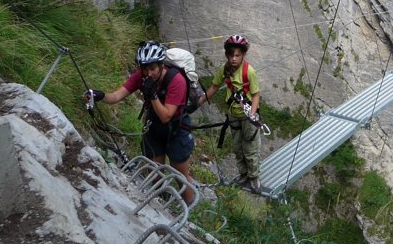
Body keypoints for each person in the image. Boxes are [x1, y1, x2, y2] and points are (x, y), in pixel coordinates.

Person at [84, 41, 196, 204]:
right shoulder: (141, 76)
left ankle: (188, 212)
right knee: (154, 169)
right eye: (145, 68)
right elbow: (116, 96)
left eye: (152, 68)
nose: (148, 73)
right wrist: (100, 96)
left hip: (176, 129)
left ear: (161, 65)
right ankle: (159, 201)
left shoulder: (176, 80)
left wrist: (152, 95)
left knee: (180, 175)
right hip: (154, 127)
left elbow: (167, 116)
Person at [199, 34, 262, 193]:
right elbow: (214, 87)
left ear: (243, 55)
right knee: (236, 146)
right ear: (227, 55)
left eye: (237, 55)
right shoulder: (225, 69)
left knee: (250, 146)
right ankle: (243, 173)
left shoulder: (249, 72)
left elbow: (255, 95)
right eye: (231, 55)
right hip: (233, 113)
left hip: (248, 114)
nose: (234, 58)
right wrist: (198, 102)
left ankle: (253, 176)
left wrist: (253, 114)